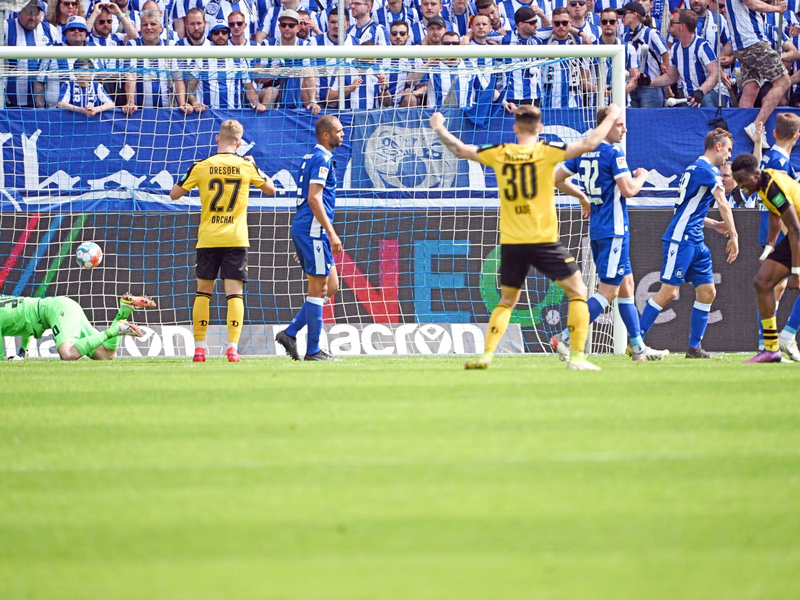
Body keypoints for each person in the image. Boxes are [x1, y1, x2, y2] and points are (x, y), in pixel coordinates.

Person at [429, 104, 625, 371]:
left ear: (515, 128)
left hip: (511, 242)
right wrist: (612, 115)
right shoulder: (546, 153)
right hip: (543, 240)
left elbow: (460, 149)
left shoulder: (502, 153)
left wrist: (439, 127)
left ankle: (486, 355)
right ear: (540, 128)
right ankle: (577, 358)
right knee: (578, 291)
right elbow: (591, 142)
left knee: (507, 301)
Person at [552, 107, 669, 362]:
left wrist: (581, 196)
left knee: (627, 286)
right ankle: (566, 337)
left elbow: (557, 179)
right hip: (614, 230)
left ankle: (638, 348)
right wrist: (642, 177)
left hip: (598, 229)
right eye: (619, 124)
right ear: (606, 125)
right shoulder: (614, 152)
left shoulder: (583, 149)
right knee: (608, 292)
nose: (624, 129)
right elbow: (628, 190)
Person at [169, 120, 276, 363]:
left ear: (217, 139)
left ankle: (199, 349)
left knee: (203, 292)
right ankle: (232, 349)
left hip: (208, 238)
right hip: (236, 238)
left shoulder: (202, 166)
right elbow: (271, 189)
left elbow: (174, 194)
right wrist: (254, 166)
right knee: (234, 295)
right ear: (239, 144)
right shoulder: (245, 165)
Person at [638, 128, 738, 358]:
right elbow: (723, 203)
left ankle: (694, 348)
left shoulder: (694, 168)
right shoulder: (707, 170)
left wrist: (714, 225)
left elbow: (688, 211)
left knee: (707, 292)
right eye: (728, 150)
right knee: (669, 292)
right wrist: (734, 235)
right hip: (681, 239)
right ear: (718, 146)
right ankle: (637, 341)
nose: (729, 156)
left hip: (696, 240)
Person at [275, 115, 345, 362]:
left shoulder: (311, 157)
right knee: (318, 289)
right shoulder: (323, 158)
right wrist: (330, 232)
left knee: (332, 286)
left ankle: (290, 332)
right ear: (326, 135)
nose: (342, 134)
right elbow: (314, 198)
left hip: (308, 229)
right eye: (338, 131)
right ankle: (313, 351)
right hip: (313, 229)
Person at [732, 153, 800, 363]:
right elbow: (775, 214)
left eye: (742, 181)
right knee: (762, 282)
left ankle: (779, 343)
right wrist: (769, 247)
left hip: (798, 234)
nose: (740, 186)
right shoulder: (762, 185)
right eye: (737, 181)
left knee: (763, 282)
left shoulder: (772, 187)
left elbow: (795, 229)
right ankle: (771, 349)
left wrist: (796, 273)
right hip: (795, 235)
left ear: (755, 174)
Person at [753, 113, 800, 361]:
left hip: (773, 231)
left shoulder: (770, 160)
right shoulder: (780, 165)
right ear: (797, 136)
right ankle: (785, 336)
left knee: (772, 286)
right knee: (773, 285)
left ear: (774, 133)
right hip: (787, 233)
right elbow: (783, 212)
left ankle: (767, 345)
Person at [1, 293, 153, 361]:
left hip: (55, 311)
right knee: (105, 355)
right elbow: (26, 324)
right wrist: (22, 352)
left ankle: (116, 329)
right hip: (63, 306)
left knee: (68, 353)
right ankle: (123, 313)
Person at [723, 0, 791, 148]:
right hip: (753, 43)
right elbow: (752, 4)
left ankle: (740, 138)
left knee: (751, 88)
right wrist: (777, 8)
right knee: (784, 81)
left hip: (742, 46)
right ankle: (757, 126)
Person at [637, 10, 720, 107]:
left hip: (711, 96)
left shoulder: (702, 46)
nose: (669, 25)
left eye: (672, 23)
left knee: (705, 99)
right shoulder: (675, 49)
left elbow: (716, 73)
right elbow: (671, 77)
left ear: (682, 26)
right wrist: (650, 81)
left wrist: (701, 91)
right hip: (691, 100)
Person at [3, 0, 60, 109]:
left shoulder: (50, 30)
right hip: (11, 105)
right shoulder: (6, 27)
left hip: (42, 106)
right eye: (28, 12)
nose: (32, 17)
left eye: (36, 13)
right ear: (19, 11)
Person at [620, 1, 669, 108]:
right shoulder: (625, 36)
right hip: (632, 87)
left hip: (650, 87)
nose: (621, 17)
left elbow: (666, 53)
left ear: (634, 15)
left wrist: (666, 80)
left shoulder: (651, 33)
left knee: (650, 122)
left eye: (624, 14)